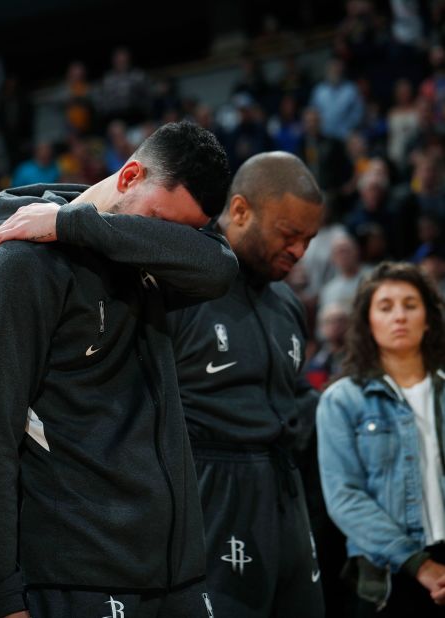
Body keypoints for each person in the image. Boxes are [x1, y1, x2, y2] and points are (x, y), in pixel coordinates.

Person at [0, 121, 238, 618]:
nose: (160, 242)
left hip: (175, 573)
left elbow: (221, 266)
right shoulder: (20, 267)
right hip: (79, 575)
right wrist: (0, 596)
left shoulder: (142, 255)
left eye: (177, 234)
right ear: (130, 175)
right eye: (157, 221)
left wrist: (73, 223)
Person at [162, 152, 327, 618]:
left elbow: (291, 395)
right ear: (239, 210)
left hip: (283, 491)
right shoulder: (182, 286)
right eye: (288, 235)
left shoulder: (288, 303)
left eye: (309, 239)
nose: (299, 251)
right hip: (210, 490)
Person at [317, 262, 445, 616]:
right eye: (385, 307)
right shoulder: (342, 399)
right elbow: (344, 497)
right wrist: (420, 565)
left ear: (429, 317)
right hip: (386, 575)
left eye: (410, 305)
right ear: (368, 323)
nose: (399, 316)